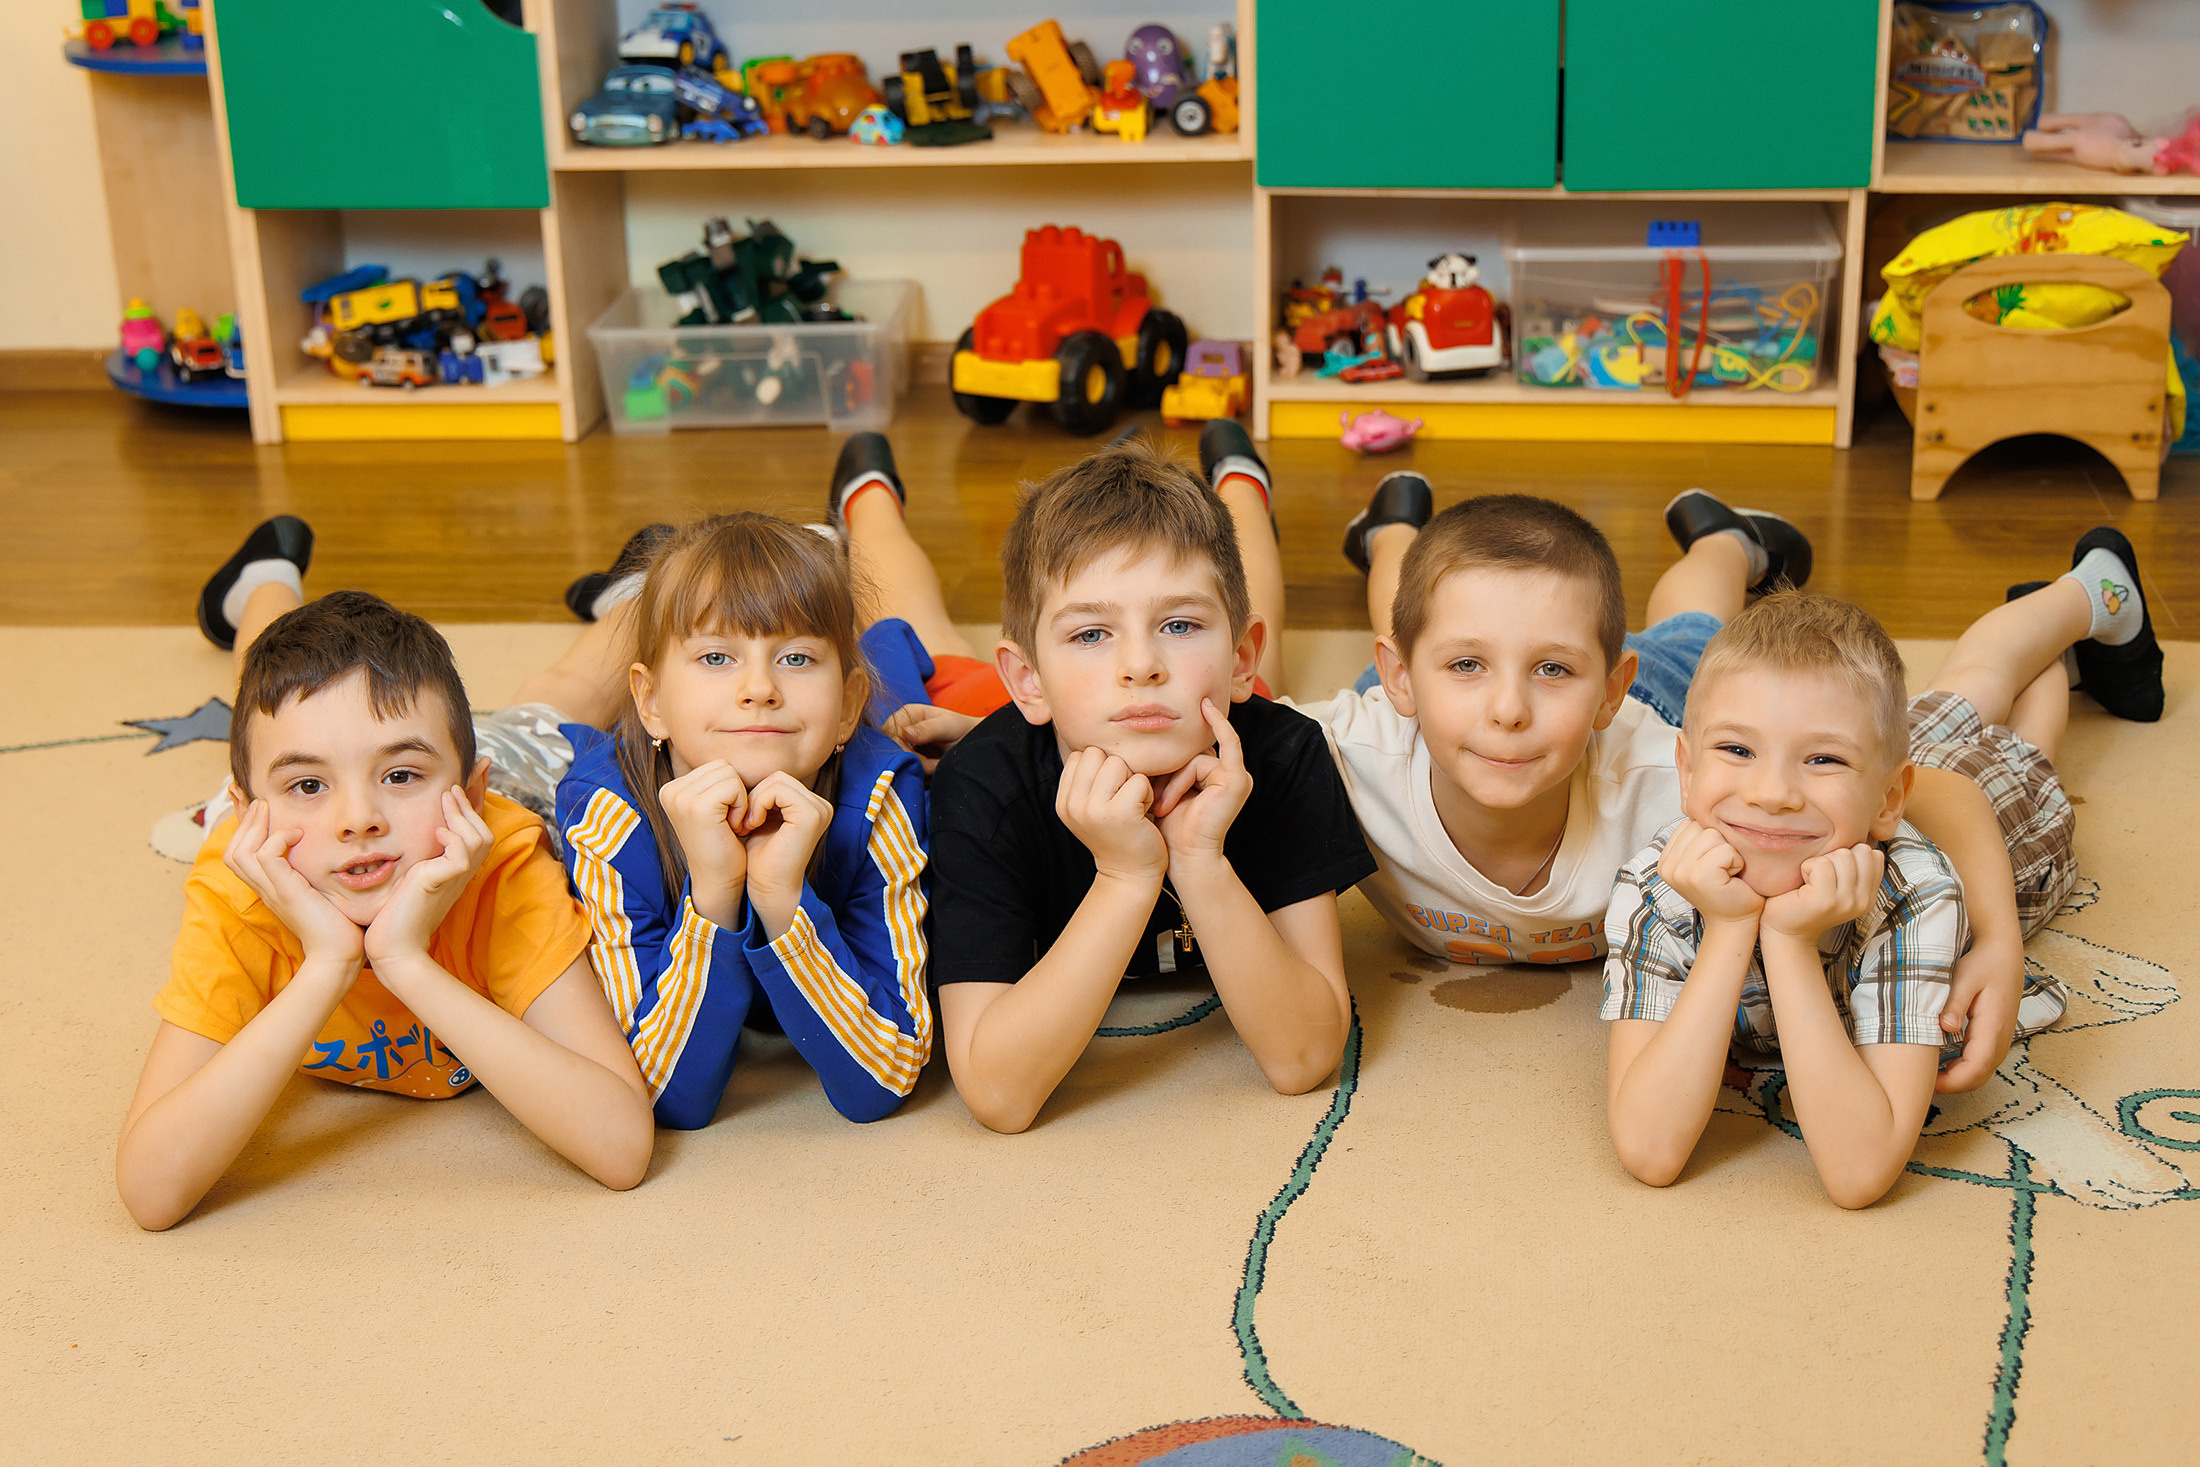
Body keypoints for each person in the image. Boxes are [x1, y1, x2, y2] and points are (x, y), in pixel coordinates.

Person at [1209, 420, 2030, 1094]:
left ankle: (1726, 543)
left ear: (1607, 689)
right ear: (1402, 682)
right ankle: (1394, 528)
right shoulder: (1337, 755)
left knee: (1694, 625)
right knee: (1419, 599)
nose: (1508, 709)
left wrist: (1997, 939)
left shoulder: (1681, 779)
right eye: (1465, 667)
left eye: (1554, 672)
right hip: (1432, 710)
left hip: (1663, 696)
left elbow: (1942, 791)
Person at [118, 518, 655, 1231]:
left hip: (486, 784)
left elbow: (621, 1147)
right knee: (271, 692)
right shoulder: (242, 878)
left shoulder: (500, 858)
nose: (358, 818)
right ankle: (263, 578)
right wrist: (329, 964)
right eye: (309, 786)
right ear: (248, 814)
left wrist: (403, 960)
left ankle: (642, 588)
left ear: (467, 794)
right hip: (316, 821)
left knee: (558, 698)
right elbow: (151, 1192)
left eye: (397, 774)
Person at [1601, 529, 2162, 1208]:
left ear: (1889, 798)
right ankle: (2054, 657)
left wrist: (1785, 939)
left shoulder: (1914, 892)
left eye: (1821, 758)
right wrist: (1729, 928)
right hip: (1865, 778)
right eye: (1737, 749)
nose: (1770, 791)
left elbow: (1859, 1171)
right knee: (1956, 698)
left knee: (2015, 745)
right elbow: (1650, 1149)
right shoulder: (1655, 881)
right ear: (1685, 771)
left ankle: (2091, 592)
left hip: (1987, 829)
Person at [921, 435, 1378, 1134]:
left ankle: (1244, 484)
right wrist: (1125, 875)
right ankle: (870, 504)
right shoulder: (980, 789)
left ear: (1234, 660)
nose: (1141, 663)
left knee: (1270, 668)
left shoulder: (1284, 755)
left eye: (1179, 623)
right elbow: (998, 1094)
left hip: (1215, 701)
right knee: (923, 639)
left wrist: (1198, 859)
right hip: (994, 700)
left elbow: (1305, 1055)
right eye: (1091, 634)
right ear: (1028, 681)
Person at [553, 503, 940, 1128]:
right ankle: (629, 591)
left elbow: (885, 1078)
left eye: (795, 658)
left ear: (847, 708)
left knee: (915, 654)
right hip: (626, 739)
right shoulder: (602, 813)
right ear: (650, 703)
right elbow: (662, 1096)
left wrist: (781, 899)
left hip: (873, 699)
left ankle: (868, 500)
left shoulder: (881, 793)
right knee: (562, 687)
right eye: (716, 658)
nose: (759, 688)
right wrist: (713, 893)